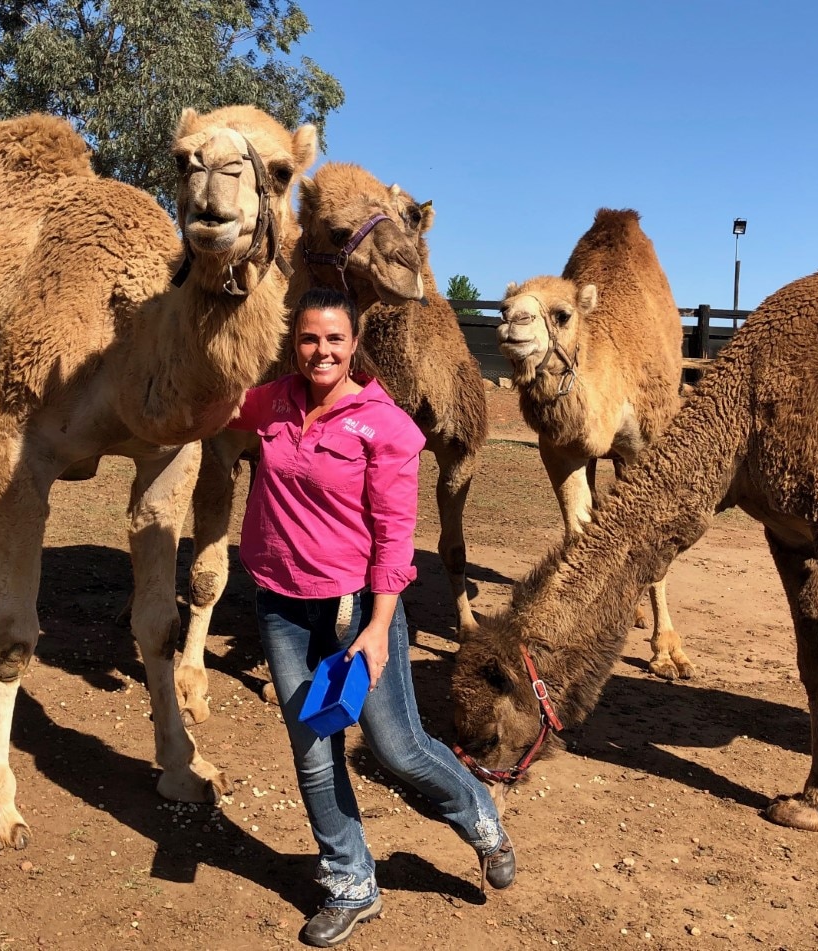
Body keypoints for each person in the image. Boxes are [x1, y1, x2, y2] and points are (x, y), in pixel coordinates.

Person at [229, 287, 516, 948]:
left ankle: (478, 815)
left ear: (353, 344)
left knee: (396, 746)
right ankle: (351, 881)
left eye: (334, 339)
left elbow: (394, 540)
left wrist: (378, 628)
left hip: (354, 609)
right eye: (309, 338)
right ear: (293, 342)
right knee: (314, 751)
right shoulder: (271, 400)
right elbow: (209, 397)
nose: (321, 350)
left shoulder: (383, 423)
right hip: (280, 605)